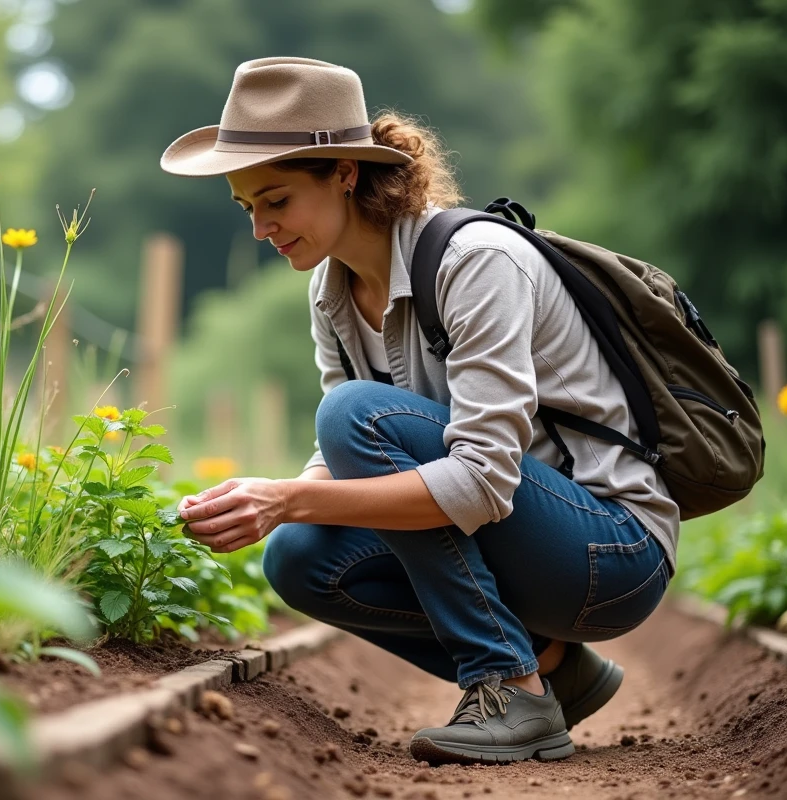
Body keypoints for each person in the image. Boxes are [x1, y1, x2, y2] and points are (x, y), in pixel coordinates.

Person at [160, 56, 678, 766]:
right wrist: (271, 508)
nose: (261, 228)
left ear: (344, 171)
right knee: (299, 557)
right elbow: (347, 457)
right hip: (525, 547)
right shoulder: (331, 292)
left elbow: (481, 481)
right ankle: (556, 666)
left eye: (276, 201)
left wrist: (288, 495)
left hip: (610, 551)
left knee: (350, 418)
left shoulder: (476, 260)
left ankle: (508, 685)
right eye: (248, 208)